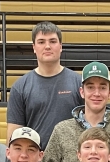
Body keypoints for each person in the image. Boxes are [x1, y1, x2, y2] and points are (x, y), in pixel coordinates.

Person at [6, 21, 83, 149]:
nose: (47, 46)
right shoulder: (20, 87)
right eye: (41, 42)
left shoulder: (79, 83)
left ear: (61, 46)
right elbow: (14, 134)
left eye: (52, 41)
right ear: (34, 48)